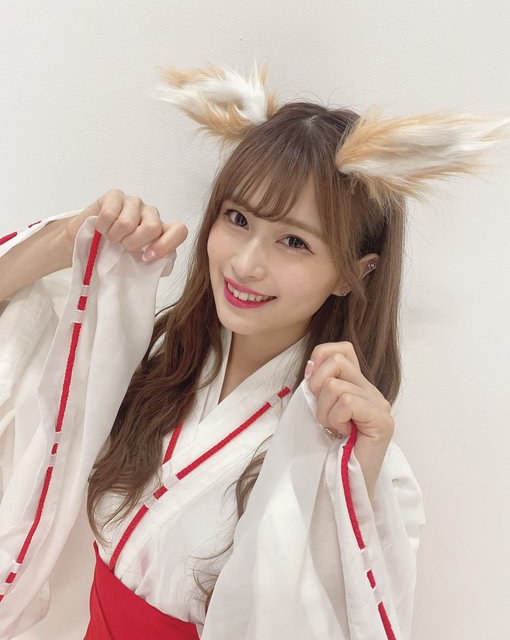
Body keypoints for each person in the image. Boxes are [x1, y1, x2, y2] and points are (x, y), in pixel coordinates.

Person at [0, 63, 508, 640]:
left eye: (293, 241)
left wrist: (355, 479)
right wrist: (69, 239)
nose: (245, 263)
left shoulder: (349, 455)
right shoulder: (150, 366)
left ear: (354, 273)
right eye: (237, 218)